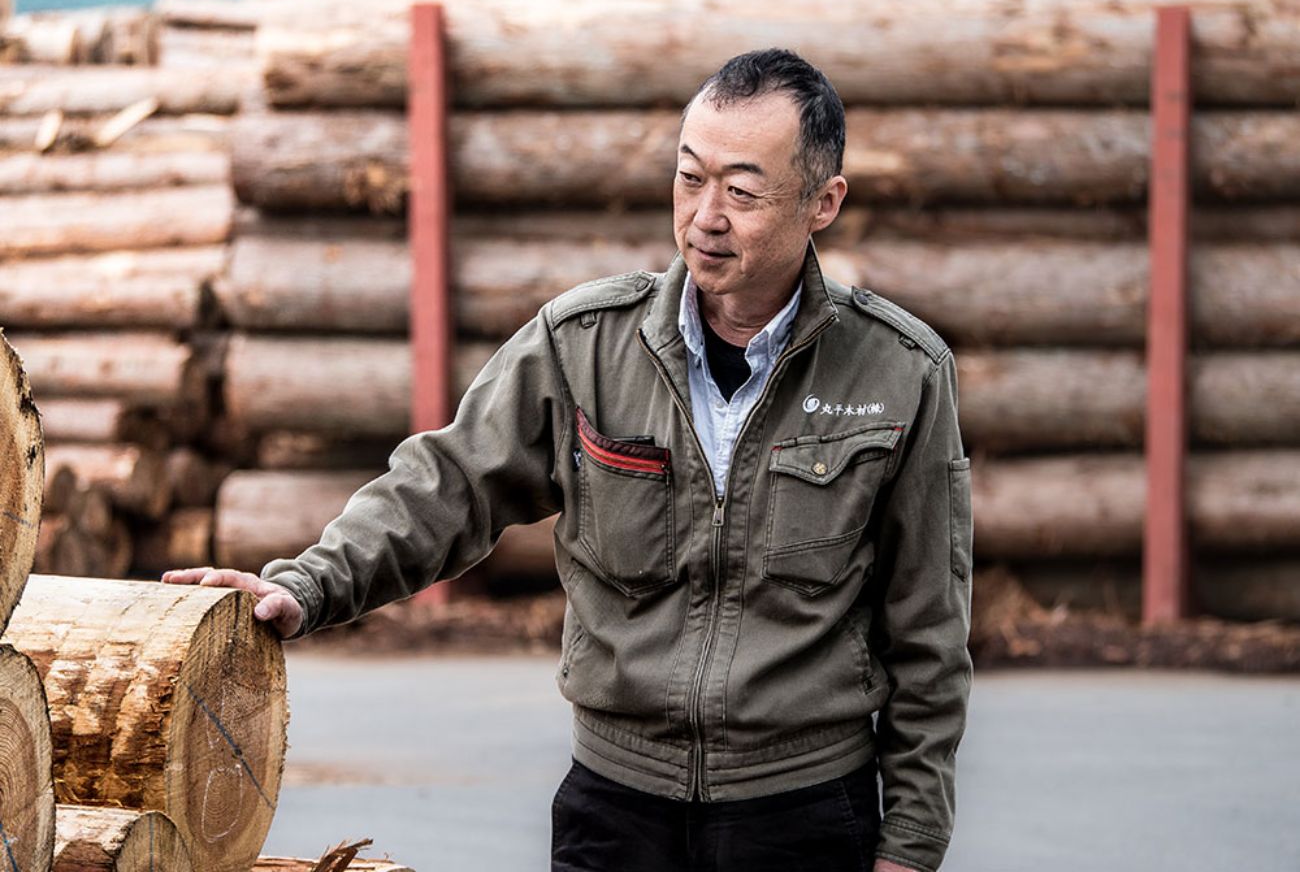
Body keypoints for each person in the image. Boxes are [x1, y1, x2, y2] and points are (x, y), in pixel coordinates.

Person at [165, 48, 972, 872]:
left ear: (822, 202)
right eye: (689, 179)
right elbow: (445, 486)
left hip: (804, 815)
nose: (705, 216)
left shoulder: (900, 373)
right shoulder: (583, 345)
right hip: (616, 810)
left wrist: (909, 843)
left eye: (742, 190)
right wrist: (306, 585)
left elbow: (929, 631)